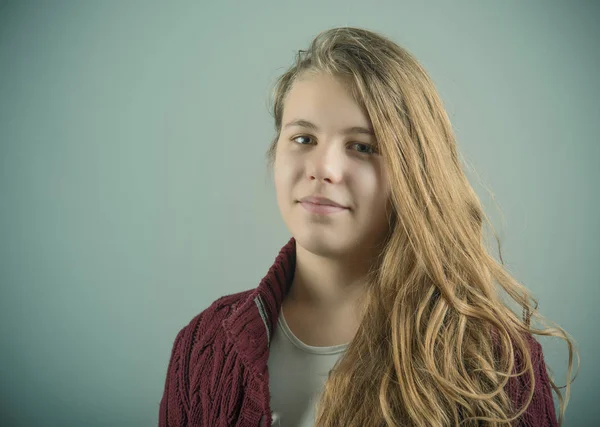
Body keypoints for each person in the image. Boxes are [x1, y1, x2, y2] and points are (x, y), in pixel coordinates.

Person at [159, 27, 577, 427]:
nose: (323, 169)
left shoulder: (494, 360)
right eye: (303, 138)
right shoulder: (204, 344)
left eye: (362, 147)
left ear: (415, 173)